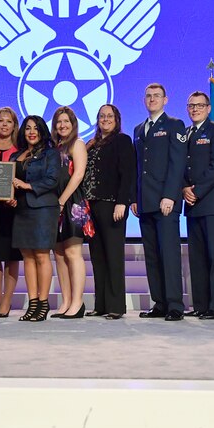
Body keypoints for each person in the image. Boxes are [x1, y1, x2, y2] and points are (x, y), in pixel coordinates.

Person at [132, 83, 188, 322]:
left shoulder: (174, 125)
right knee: (152, 255)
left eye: (157, 96)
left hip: (165, 201)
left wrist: (170, 196)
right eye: (148, 96)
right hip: (145, 201)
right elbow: (137, 167)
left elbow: (177, 163)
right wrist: (135, 198)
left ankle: (175, 304)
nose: (152, 99)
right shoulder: (139, 129)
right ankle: (160, 303)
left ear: (165, 100)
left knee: (169, 254)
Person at [180, 91, 214, 319]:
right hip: (193, 204)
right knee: (198, 258)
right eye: (191, 105)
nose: (195, 109)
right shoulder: (185, 133)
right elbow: (180, 165)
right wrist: (184, 188)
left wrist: (197, 191)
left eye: (200, 105)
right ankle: (201, 305)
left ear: (209, 109)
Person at [82, 104, 136, 320]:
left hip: (112, 204)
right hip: (92, 206)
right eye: (102, 116)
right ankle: (101, 305)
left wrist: (123, 202)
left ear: (117, 119)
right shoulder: (92, 144)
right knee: (98, 257)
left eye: (109, 116)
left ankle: (116, 306)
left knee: (113, 256)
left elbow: (128, 173)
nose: (105, 119)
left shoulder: (122, 141)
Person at [11, 115, 60, 322]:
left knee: (41, 255)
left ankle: (43, 302)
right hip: (21, 209)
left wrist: (27, 186)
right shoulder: (17, 155)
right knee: (28, 257)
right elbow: (10, 182)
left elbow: (52, 179)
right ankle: (32, 303)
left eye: (36, 128)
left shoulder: (51, 153)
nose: (32, 132)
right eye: (28, 128)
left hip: (43, 209)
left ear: (42, 131)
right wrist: (9, 196)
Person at [50, 106, 89, 319]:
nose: (62, 125)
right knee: (59, 254)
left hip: (72, 203)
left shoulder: (78, 144)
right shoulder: (55, 147)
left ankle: (77, 302)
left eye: (66, 121)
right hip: (55, 204)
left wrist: (62, 201)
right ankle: (65, 302)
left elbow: (78, 174)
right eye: (59, 121)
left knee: (73, 253)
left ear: (73, 124)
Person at [0, 107, 22, 317]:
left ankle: (7, 301)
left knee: (11, 257)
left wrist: (16, 198)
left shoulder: (21, 150)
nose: (4, 125)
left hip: (13, 211)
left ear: (14, 125)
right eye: (1, 121)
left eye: (9, 121)